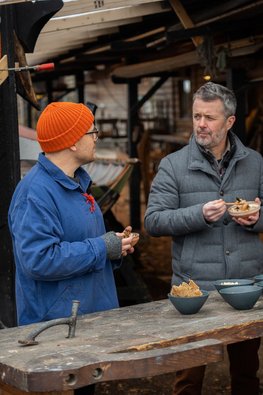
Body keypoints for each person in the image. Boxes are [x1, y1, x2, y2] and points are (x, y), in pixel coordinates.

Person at [144, 81, 263, 395]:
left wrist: (256, 219)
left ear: (229, 122)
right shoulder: (173, 165)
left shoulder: (255, 162)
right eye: (197, 116)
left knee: (247, 375)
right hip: (194, 291)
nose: (201, 124)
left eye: (209, 118)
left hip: (245, 287)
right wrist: (198, 214)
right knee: (188, 380)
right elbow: (153, 221)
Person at [8, 101, 134, 394]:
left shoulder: (76, 184)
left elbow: (84, 246)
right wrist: (102, 248)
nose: (96, 137)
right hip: (55, 330)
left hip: (84, 321)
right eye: (92, 131)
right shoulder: (35, 193)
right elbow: (38, 260)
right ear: (73, 142)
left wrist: (115, 248)